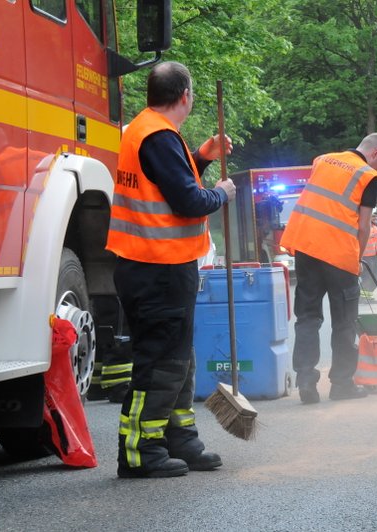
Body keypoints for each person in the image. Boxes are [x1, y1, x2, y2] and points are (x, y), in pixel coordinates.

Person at [105, 61, 236, 478]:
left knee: (177, 359)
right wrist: (221, 193)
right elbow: (188, 201)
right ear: (185, 96)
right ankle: (141, 450)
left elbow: (169, 181)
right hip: (156, 267)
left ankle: (180, 437)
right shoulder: (158, 136)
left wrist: (201, 156)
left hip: (155, 266)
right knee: (160, 361)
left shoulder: (148, 130)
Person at [281, 133, 377, 404]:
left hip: (306, 249)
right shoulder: (368, 175)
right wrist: (356, 260)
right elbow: (364, 225)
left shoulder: (323, 160)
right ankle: (342, 384)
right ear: (376, 154)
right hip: (339, 254)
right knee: (344, 321)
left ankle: (306, 381)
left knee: (307, 318)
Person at [360, 207, 377, 302]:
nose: (376, 218)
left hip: (373, 257)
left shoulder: (374, 228)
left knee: (374, 277)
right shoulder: (364, 227)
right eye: (374, 216)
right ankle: (363, 297)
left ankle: (369, 296)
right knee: (366, 277)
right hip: (365, 257)